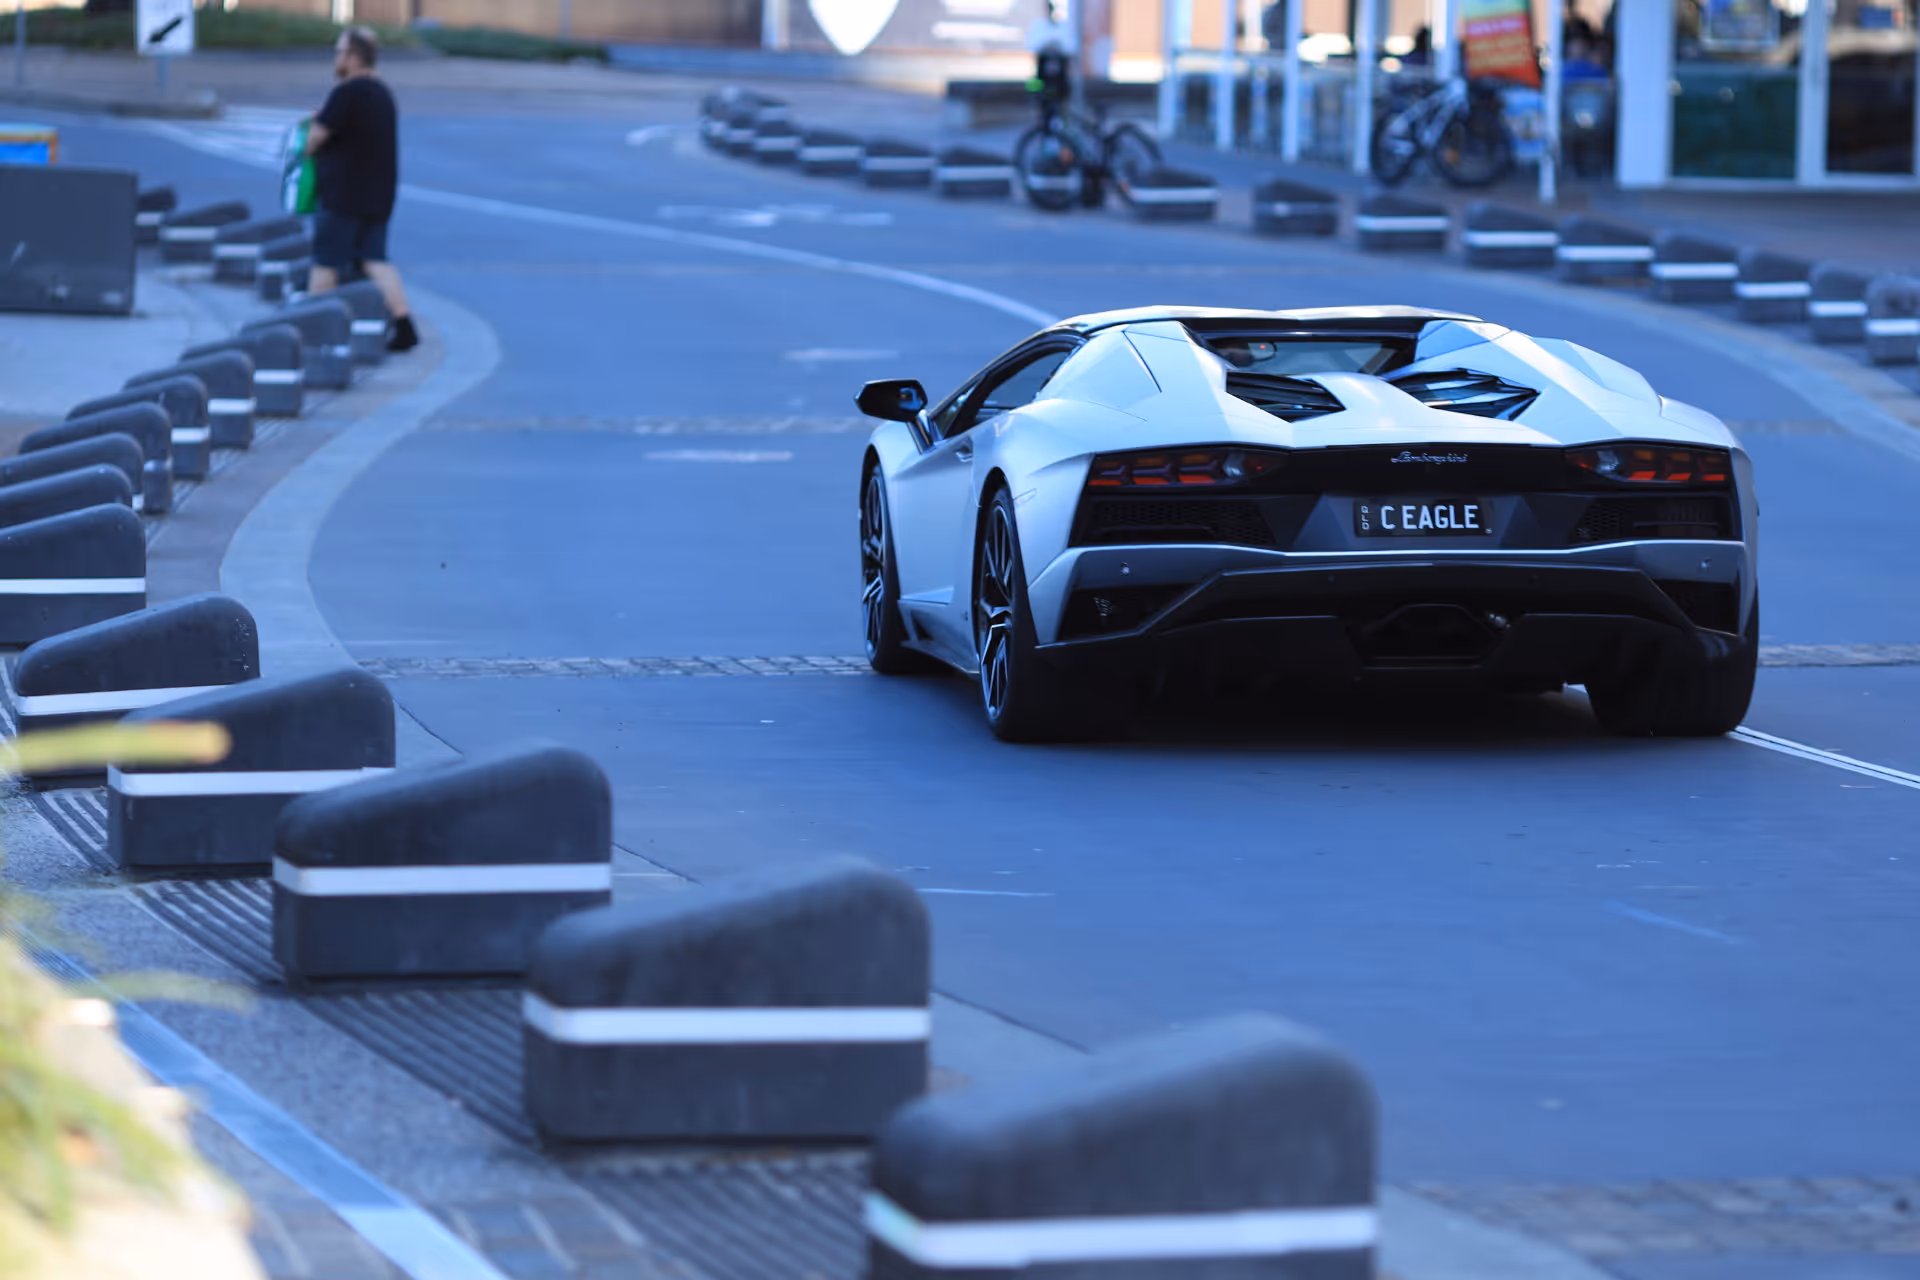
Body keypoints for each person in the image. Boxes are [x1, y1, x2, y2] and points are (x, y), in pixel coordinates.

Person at [304, 26, 417, 352]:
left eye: (339, 52)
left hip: (342, 197)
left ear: (353, 58)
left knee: (325, 265)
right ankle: (404, 324)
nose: (336, 58)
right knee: (374, 260)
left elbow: (314, 141)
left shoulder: (348, 92)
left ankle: (312, 334)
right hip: (377, 196)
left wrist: (314, 125)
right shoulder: (382, 93)